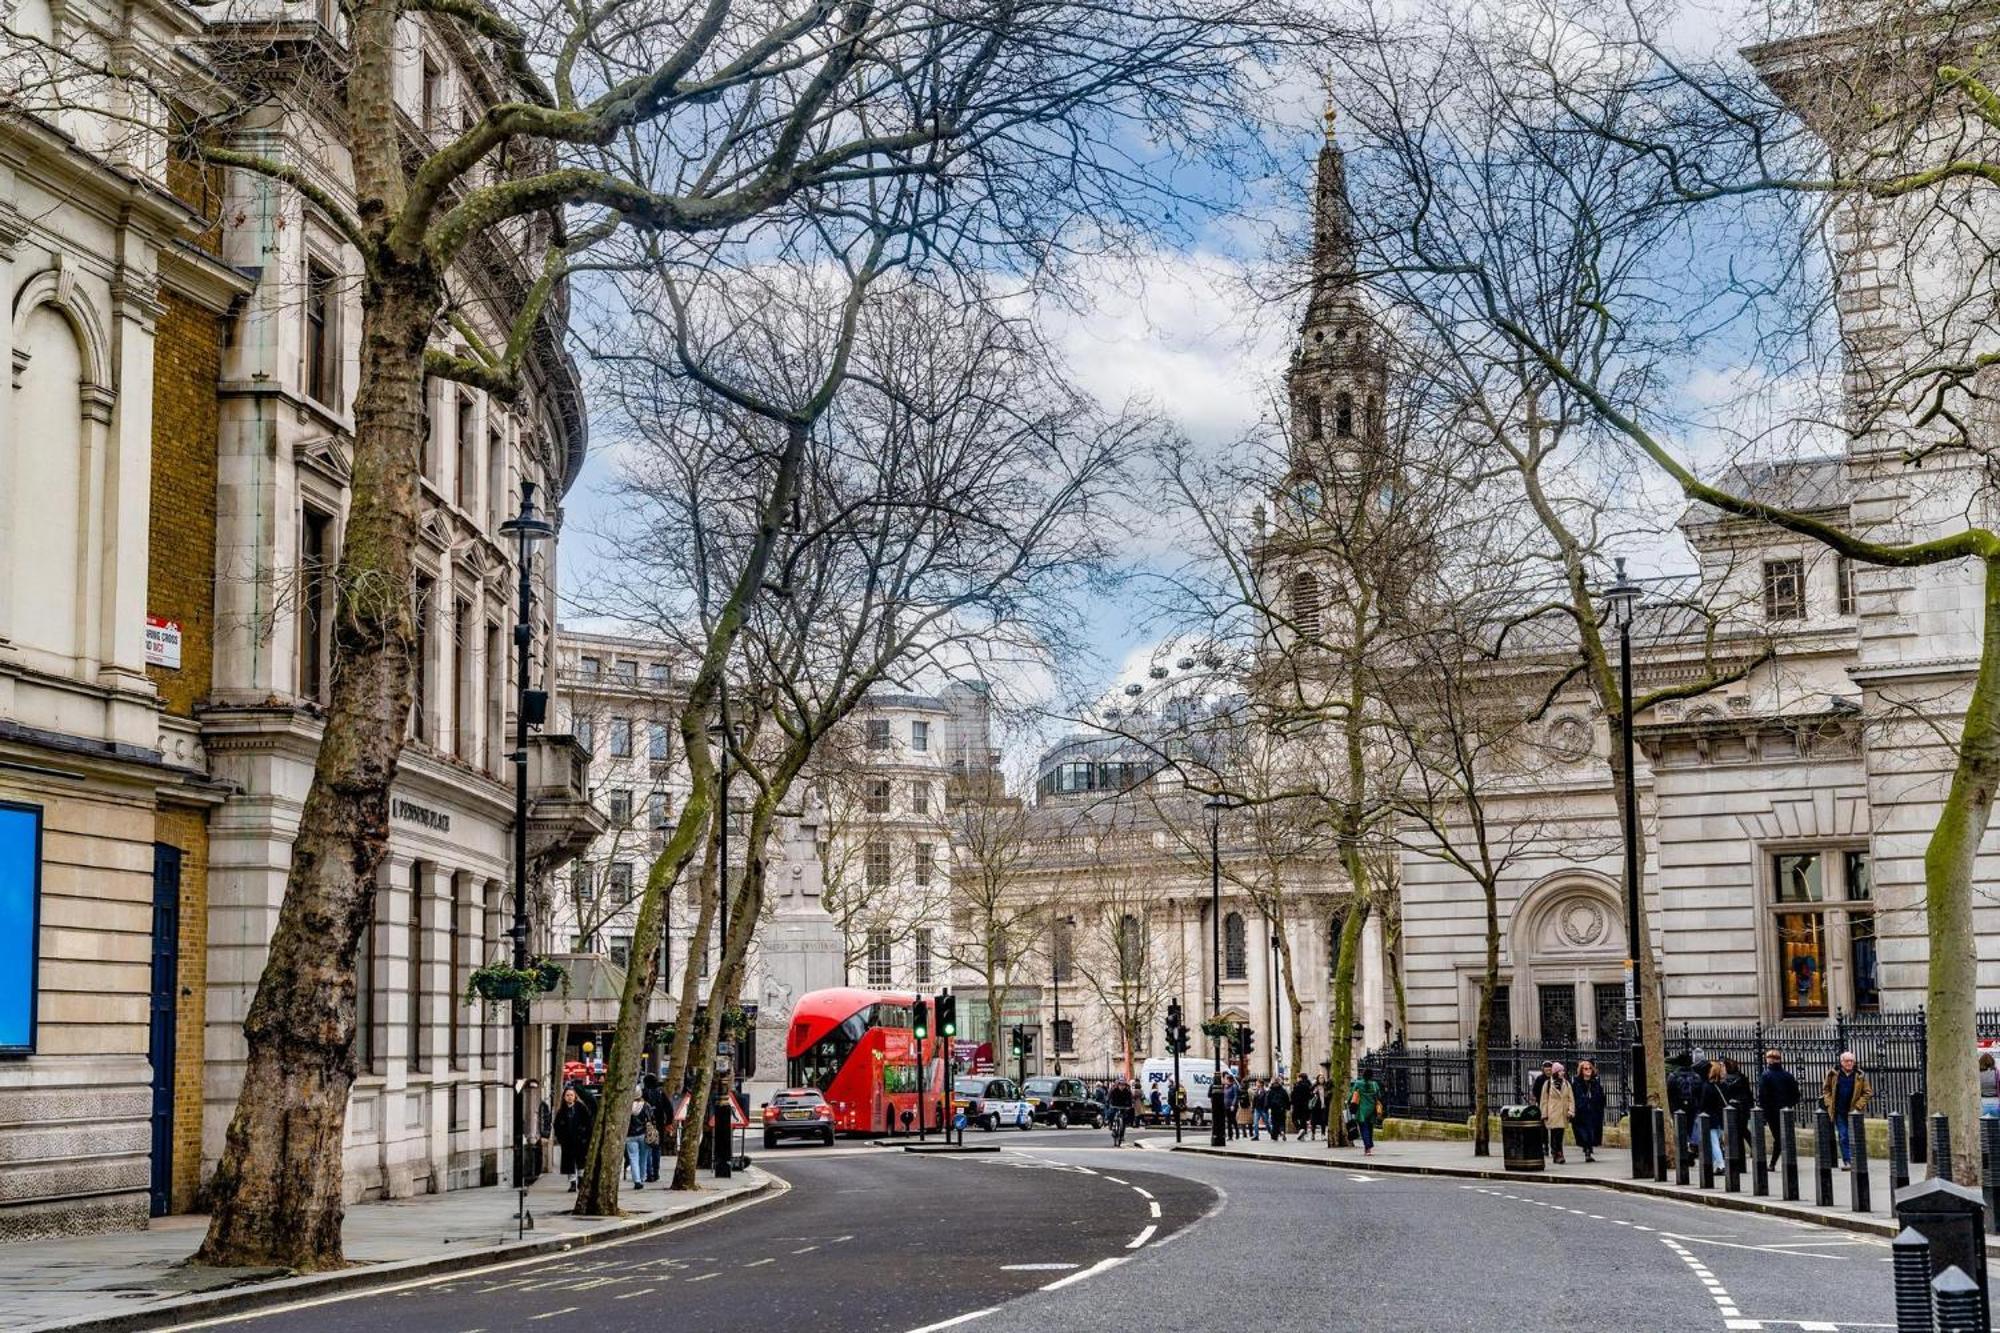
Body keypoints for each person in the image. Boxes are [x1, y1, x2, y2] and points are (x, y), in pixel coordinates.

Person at [1821, 1051, 1872, 1169]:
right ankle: (1847, 1161)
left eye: (1851, 1061)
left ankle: (1857, 1159)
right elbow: (1826, 1089)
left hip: (1854, 1112)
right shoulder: (1833, 1074)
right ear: (1841, 1062)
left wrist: (1859, 1106)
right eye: (1847, 1061)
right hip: (1839, 1111)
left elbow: (1868, 1092)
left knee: (1855, 1135)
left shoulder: (1859, 1075)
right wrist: (1829, 1103)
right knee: (1843, 1136)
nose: (1849, 1063)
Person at [1757, 1049, 1801, 1170]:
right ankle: (1787, 1161)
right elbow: (1796, 1095)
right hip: (1786, 1111)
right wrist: (1788, 1105)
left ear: (1769, 1060)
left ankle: (1773, 1163)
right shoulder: (1787, 1075)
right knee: (1786, 1136)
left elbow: (1762, 1096)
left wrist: (1764, 1112)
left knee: (1778, 1137)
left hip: (1772, 1112)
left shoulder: (1766, 1076)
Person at [553, 1085, 594, 1192]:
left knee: (581, 1162)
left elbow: (588, 1124)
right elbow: (557, 1126)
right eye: (567, 1095)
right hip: (567, 1142)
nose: (569, 1097)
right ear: (564, 1097)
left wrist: (585, 1137)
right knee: (569, 1163)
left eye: (571, 1095)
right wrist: (561, 1138)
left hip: (581, 1141)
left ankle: (580, 1180)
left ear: (575, 1096)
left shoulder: (581, 1108)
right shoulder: (561, 1111)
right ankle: (572, 1183)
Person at [1719, 1058, 1756, 1172]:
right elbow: (1749, 1094)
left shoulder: (1724, 1081)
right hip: (1743, 1108)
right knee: (1742, 1131)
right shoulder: (1742, 1078)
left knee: (1736, 1134)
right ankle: (1754, 1149)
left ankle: (1739, 1161)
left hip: (1731, 1110)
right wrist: (1750, 1106)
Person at [1667, 1054, 1707, 1159]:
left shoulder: (1673, 1076)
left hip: (1677, 1106)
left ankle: (1684, 1149)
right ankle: (1690, 1145)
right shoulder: (1696, 1076)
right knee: (1690, 1127)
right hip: (1693, 1106)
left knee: (1679, 1129)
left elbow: (1669, 1093)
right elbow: (1700, 1093)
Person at [1571, 1059, 1607, 1164]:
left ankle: (1588, 1151)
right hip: (1581, 1112)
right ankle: (1587, 1150)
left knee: (1591, 1133)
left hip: (1592, 1112)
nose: (1588, 1070)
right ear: (1581, 1070)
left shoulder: (1595, 1083)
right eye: (1585, 1068)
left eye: (1590, 1068)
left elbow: (1601, 1096)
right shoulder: (1576, 1083)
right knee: (1583, 1133)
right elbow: (1573, 1097)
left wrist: (1599, 1105)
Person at [1538, 1061, 1575, 1164]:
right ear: (1556, 1072)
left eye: (1563, 1071)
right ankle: (1558, 1153)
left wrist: (1571, 1111)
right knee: (1555, 1134)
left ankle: (1557, 1153)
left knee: (1560, 1134)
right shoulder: (1548, 1084)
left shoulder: (1566, 1083)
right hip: (1552, 1113)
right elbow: (1544, 1100)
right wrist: (1544, 1114)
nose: (1563, 1072)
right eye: (1560, 1071)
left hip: (1563, 1113)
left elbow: (1571, 1098)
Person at [1348, 1064, 1384, 1155]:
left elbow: (1352, 1094)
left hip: (1362, 1110)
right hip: (1372, 1110)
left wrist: (1348, 1101)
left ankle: (1367, 1147)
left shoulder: (1358, 1083)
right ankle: (1369, 1146)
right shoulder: (1374, 1084)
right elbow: (1379, 1096)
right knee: (1370, 1128)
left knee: (1364, 1129)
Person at [623, 1088, 652, 1189]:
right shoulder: (646, 1105)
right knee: (643, 1157)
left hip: (630, 1135)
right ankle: (642, 1177)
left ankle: (637, 1180)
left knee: (633, 1158)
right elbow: (650, 1119)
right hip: (643, 1134)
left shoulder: (626, 1106)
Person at [1108, 1077, 1134, 1146]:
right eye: (1120, 1085)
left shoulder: (1127, 1091)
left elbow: (1130, 1099)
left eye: (1123, 1085)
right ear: (1118, 1085)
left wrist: (1130, 1105)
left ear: (1125, 1085)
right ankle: (1111, 1124)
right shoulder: (1114, 1090)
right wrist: (1110, 1103)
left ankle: (1122, 1135)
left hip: (1123, 1106)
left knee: (1124, 1120)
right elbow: (1109, 1098)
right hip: (1115, 1106)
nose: (1122, 1086)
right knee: (1111, 1113)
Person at [1291, 1074, 1313, 1142]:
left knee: (1294, 1118)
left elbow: (1293, 1095)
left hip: (1297, 1105)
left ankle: (1300, 1129)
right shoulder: (1308, 1085)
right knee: (1303, 1119)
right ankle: (1303, 1134)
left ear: (1300, 1078)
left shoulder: (1297, 1085)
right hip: (1305, 1105)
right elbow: (1310, 1095)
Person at [1981, 1052, 1999, 1118]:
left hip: (1982, 1102)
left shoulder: (1977, 1073)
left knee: (1983, 1125)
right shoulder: (1996, 1072)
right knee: (1995, 1126)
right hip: (1996, 1102)